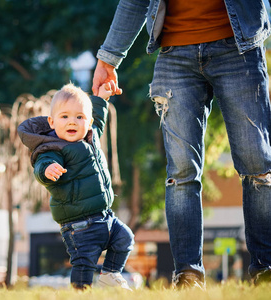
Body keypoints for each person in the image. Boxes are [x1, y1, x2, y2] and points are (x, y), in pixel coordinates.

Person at [92, 0, 271, 289]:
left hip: (240, 49)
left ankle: (266, 270)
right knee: (181, 172)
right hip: (175, 54)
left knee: (257, 164)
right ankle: (187, 275)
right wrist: (108, 59)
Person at [18, 82, 134, 290]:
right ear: (52, 122)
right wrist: (47, 170)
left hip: (105, 217)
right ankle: (80, 292)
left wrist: (102, 99)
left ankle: (110, 274)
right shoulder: (53, 148)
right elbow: (42, 164)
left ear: (87, 122)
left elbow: (98, 116)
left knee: (125, 238)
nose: (72, 122)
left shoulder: (91, 137)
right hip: (79, 226)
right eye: (65, 117)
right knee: (84, 264)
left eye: (79, 117)